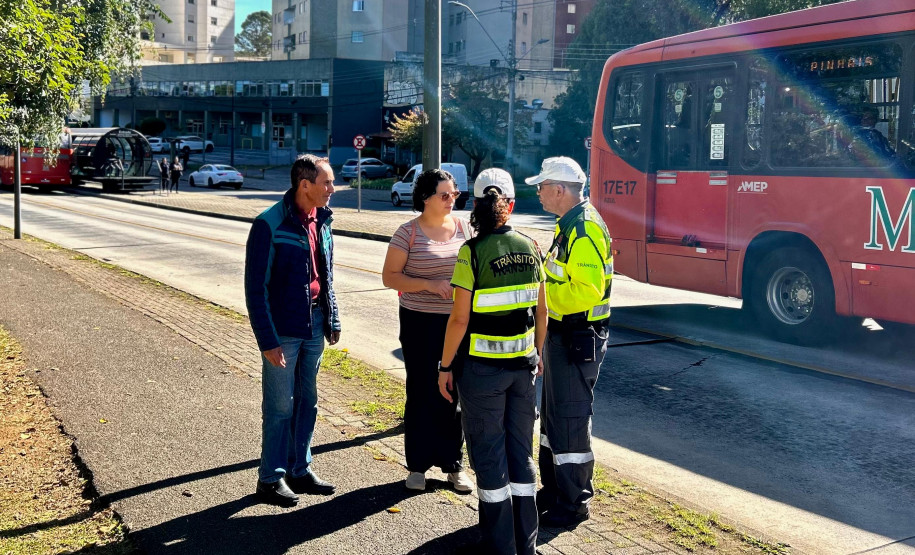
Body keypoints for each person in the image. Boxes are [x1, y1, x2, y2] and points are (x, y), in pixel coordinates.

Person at [438, 168, 547, 555]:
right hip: (523, 369)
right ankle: (526, 543)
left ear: (475, 205)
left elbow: (459, 318)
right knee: (521, 454)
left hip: (483, 374)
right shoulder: (532, 245)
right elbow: (542, 311)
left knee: (489, 456)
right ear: (509, 204)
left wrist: (445, 365)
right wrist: (538, 353)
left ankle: (500, 546)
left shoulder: (471, 252)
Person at [244, 154, 342, 507]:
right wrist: (267, 340)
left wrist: (332, 319)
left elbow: (326, 275)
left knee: (308, 402)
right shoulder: (269, 224)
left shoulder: (323, 219)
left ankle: (300, 469)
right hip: (282, 331)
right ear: (305, 185)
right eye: (327, 182)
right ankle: (270, 478)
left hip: (314, 324)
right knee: (279, 407)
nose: (333, 188)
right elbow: (256, 290)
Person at [526, 156, 613, 529]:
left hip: (578, 337)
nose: (539, 193)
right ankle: (555, 491)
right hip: (563, 336)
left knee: (571, 421)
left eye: (542, 187)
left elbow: (586, 292)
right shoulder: (570, 225)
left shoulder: (585, 228)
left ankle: (574, 504)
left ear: (559, 190)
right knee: (555, 420)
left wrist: (539, 298)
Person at [381, 168, 474, 493]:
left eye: (455, 193)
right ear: (425, 198)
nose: (453, 199)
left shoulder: (464, 227)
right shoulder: (408, 233)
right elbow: (390, 277)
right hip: (419, 323)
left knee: (453, 393)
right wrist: (428, 285)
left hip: (458, 324)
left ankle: (453, 465)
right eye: (445, 194)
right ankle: (418, 466)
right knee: (421, 391)